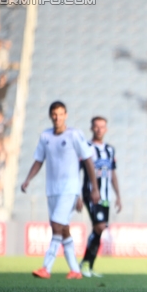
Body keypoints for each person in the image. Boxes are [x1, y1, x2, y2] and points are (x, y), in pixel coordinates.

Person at [21, 101, 100, 279]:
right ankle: (75, 270)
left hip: (69, 190)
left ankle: (46, 268)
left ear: (66, 115)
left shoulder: (74, 135)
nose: (57, 118)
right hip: (52, 190)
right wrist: (28, 179)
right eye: (54, 114)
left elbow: (88, 160)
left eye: (61, 114)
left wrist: (93, 188)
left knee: (56, 224)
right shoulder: (45, 136)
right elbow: (38, 160)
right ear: (50, 116)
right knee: (62, 228)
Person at [77, 116, 121, 277]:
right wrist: (78, 196)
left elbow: (113, 174)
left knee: (99, 230)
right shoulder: (86, 147)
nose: (99, 129)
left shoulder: (110, 150)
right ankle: (85, 265)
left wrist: (118, 196)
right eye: (96, 126)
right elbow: (77, 172)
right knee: (100, 227)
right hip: (91, 193)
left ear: (106, 129)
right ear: (91, 128)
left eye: (102, 127)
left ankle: (87, 265)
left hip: (106, 196)